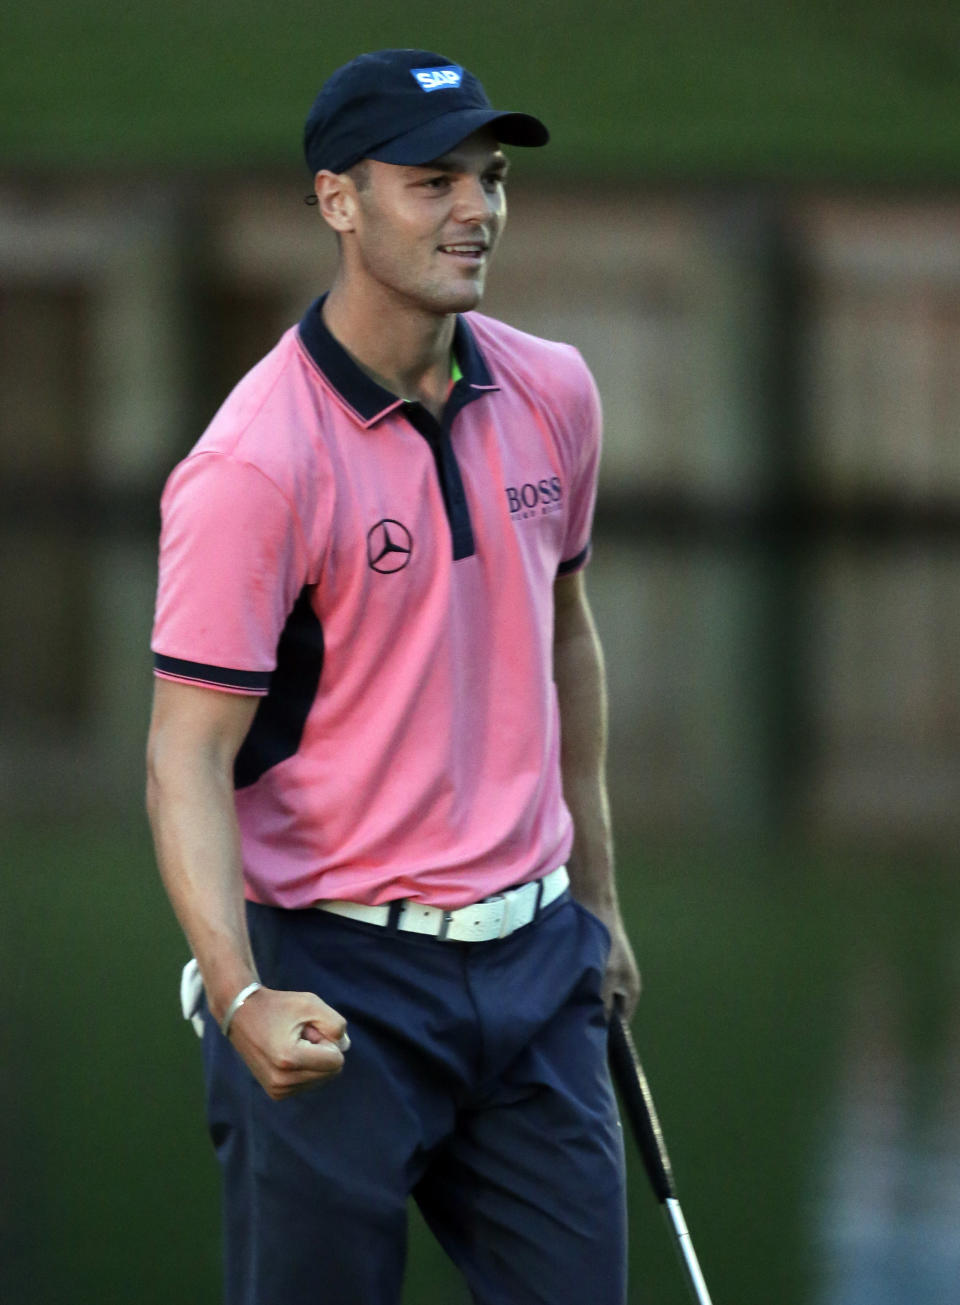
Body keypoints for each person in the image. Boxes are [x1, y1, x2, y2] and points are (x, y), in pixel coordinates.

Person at [146, 48, 640, 1305]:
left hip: (536, 969)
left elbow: (565, 632)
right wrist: (241, 988)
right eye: (433, 181)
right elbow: (185, 757)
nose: (477, 209)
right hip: (329, 976)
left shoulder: (556, 394)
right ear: (338, 201)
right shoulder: (255, 464)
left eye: (491, 177)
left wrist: (598, 906)